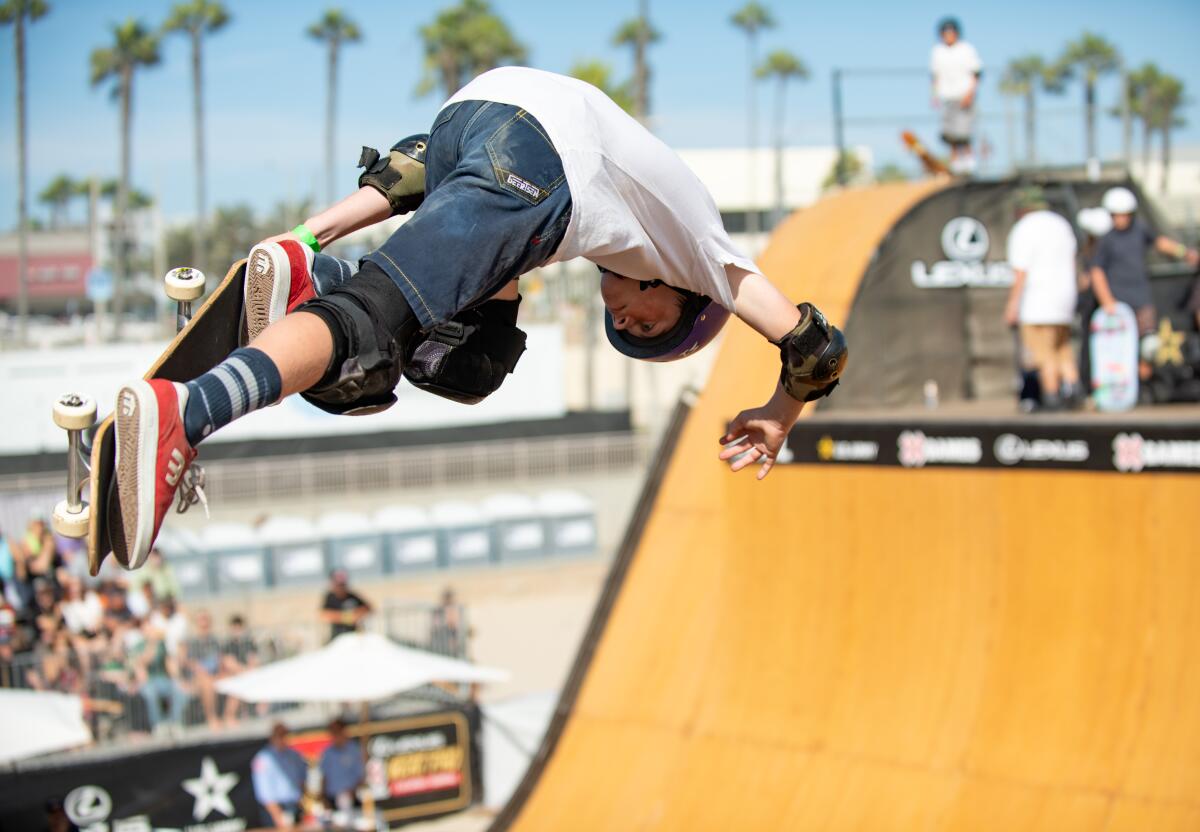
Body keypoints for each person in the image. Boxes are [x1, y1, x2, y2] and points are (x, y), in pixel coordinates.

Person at [105, 66, 848, 568]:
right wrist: (781, 414)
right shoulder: (707, 260)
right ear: (684, 298)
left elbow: (416, 169)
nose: (623, 316)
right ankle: (188, 412)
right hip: (541, 160)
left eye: (626, 330)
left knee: (472, 367)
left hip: (474, 116)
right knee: (364, 338)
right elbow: (819, 348)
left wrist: (308, 235)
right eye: (646, 324)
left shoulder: (608, 231)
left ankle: (313, 271)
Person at [1090, 186, 1199, 377]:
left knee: (1149, 345)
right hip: (1118, 302)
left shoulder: (1140, 230)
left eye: (1124, 215)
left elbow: (1161, 243)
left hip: (1141, 298)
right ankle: (1124, 382)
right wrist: (1107, 301)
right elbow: (1097, 271)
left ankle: (1144, 384)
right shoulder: (1107, 240)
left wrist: (1185, 253)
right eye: (1116, 215)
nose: (1121, 219)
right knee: (1120, 346)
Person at [1004, 187, 1081, 411]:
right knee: (1062, 348)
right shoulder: (1061, 224)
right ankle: (1074, 389)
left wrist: (1012, 305)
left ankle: (1052, 397)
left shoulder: (1024, 229)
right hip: (1065, 297)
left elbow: (1020, 272)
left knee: (1042, 352)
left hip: (1038, 301)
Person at [929, 17, 982, 175]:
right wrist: (934, 95)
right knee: (950, 134)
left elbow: (976, 73)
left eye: (951, 32)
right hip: (947, 96)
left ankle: (969, 163)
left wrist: (970, 93)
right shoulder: (938, 52)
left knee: (964, 132)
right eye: (945, 32)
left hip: (963, 95)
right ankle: (954, 164)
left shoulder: (966, 49)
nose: (948, 35)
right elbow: (935, 76)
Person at [251, 722, 308, 829]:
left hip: (295, 806)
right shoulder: (264, 758)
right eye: (279, 736)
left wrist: (302, 801)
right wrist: (277, 816)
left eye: (285, 735)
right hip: (276, 809)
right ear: (272, 737)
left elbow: (301, 778)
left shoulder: (294, 755)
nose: (283, 739)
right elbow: (265, 793)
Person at [318, 719, 365, 815]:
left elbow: (361, 775)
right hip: (332, 798)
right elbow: (324, 776)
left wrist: (351, 792)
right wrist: (323, 797)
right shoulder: (327, 753)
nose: (334, 735)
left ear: (343, 731)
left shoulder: (354, 750)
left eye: (336, 731)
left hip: (352, 797)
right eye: (332, 732)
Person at [321, 570, 371, 641]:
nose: (341, 587)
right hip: (337, 637)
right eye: (338, 585)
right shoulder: (330, 597)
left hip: (354, 636)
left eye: (343, 584)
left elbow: (368, 608)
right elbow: (324, 614)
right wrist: (347, 617)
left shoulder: (352, 596)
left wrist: (357, 614)